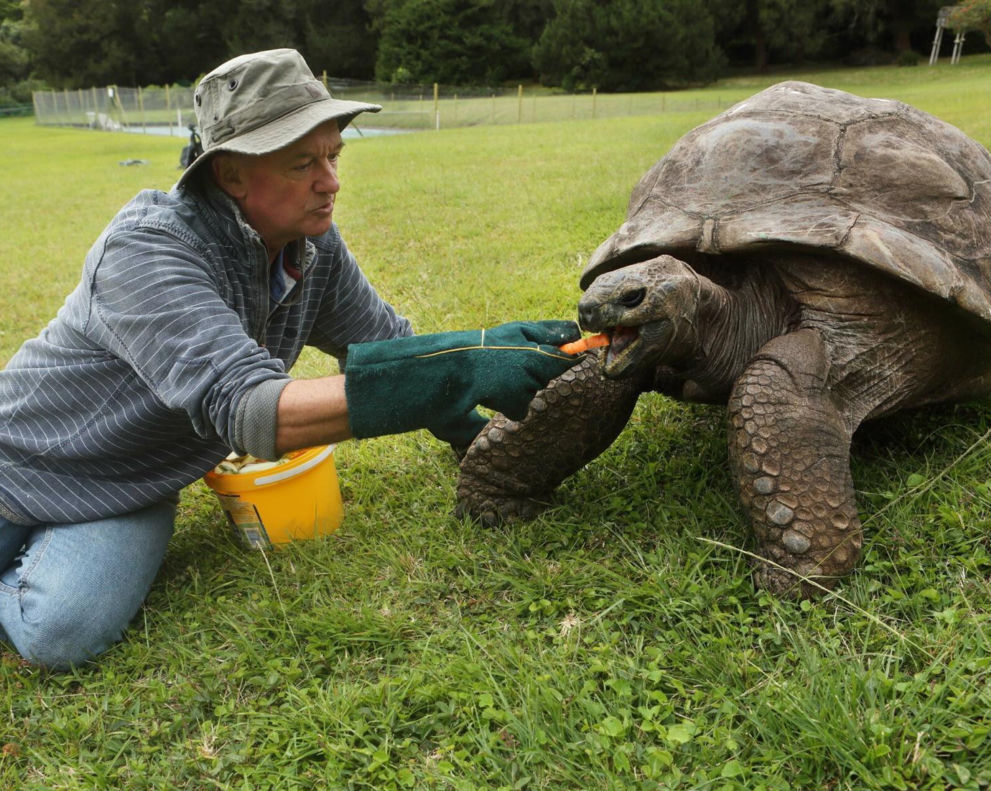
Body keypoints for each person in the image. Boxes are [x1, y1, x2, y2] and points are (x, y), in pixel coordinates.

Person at [0, 48, 582, 670]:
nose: (331, 182)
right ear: (230, 174)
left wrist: (478, 433)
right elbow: (253, 409)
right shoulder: (147, 251)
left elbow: (383, 344)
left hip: (131, 485)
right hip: (17, 462)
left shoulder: (311, 248)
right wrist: (460, 368)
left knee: (60, 632)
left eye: (333, 156)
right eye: (304, 162)